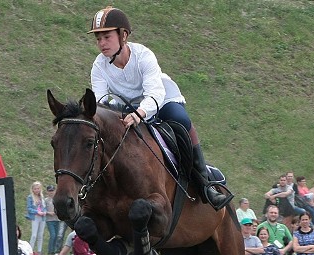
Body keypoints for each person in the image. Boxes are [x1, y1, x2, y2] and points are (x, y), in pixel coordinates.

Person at [88, 6, 230, 210]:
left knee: (181, 120)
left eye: (106, 37)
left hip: (161, 101)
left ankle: (205, 183)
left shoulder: (143, 55)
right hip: (126, 108)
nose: (101, 43)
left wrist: (139, 113)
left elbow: (155, 93)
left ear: (123, 35)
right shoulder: (99, 66)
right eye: (98, 39)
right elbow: (100, 101)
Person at [26, 181, 46, 254]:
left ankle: (39, 251)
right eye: (35, 189)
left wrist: (44, 212)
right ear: (32, 189)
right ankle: (30, 250)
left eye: (38, 188)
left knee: (40, 235)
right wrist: (37, 212)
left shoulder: (42, 197)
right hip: (35, 217)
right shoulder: (30, 197)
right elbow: (29, 208)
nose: (37, 190)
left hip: (42, 218)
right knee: (34, 235)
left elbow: (44, 207)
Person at [45, 184, 61, 255]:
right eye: (49, 191)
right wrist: (49, 213)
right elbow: (42, 210)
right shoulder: (45, 200)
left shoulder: (57, 199)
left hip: (57, 219)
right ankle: (50, 250)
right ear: (47, 192)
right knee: (53, 235)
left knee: (57, 235)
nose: (51, 192)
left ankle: (55, 250)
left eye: (52, 191)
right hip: (49, 220)